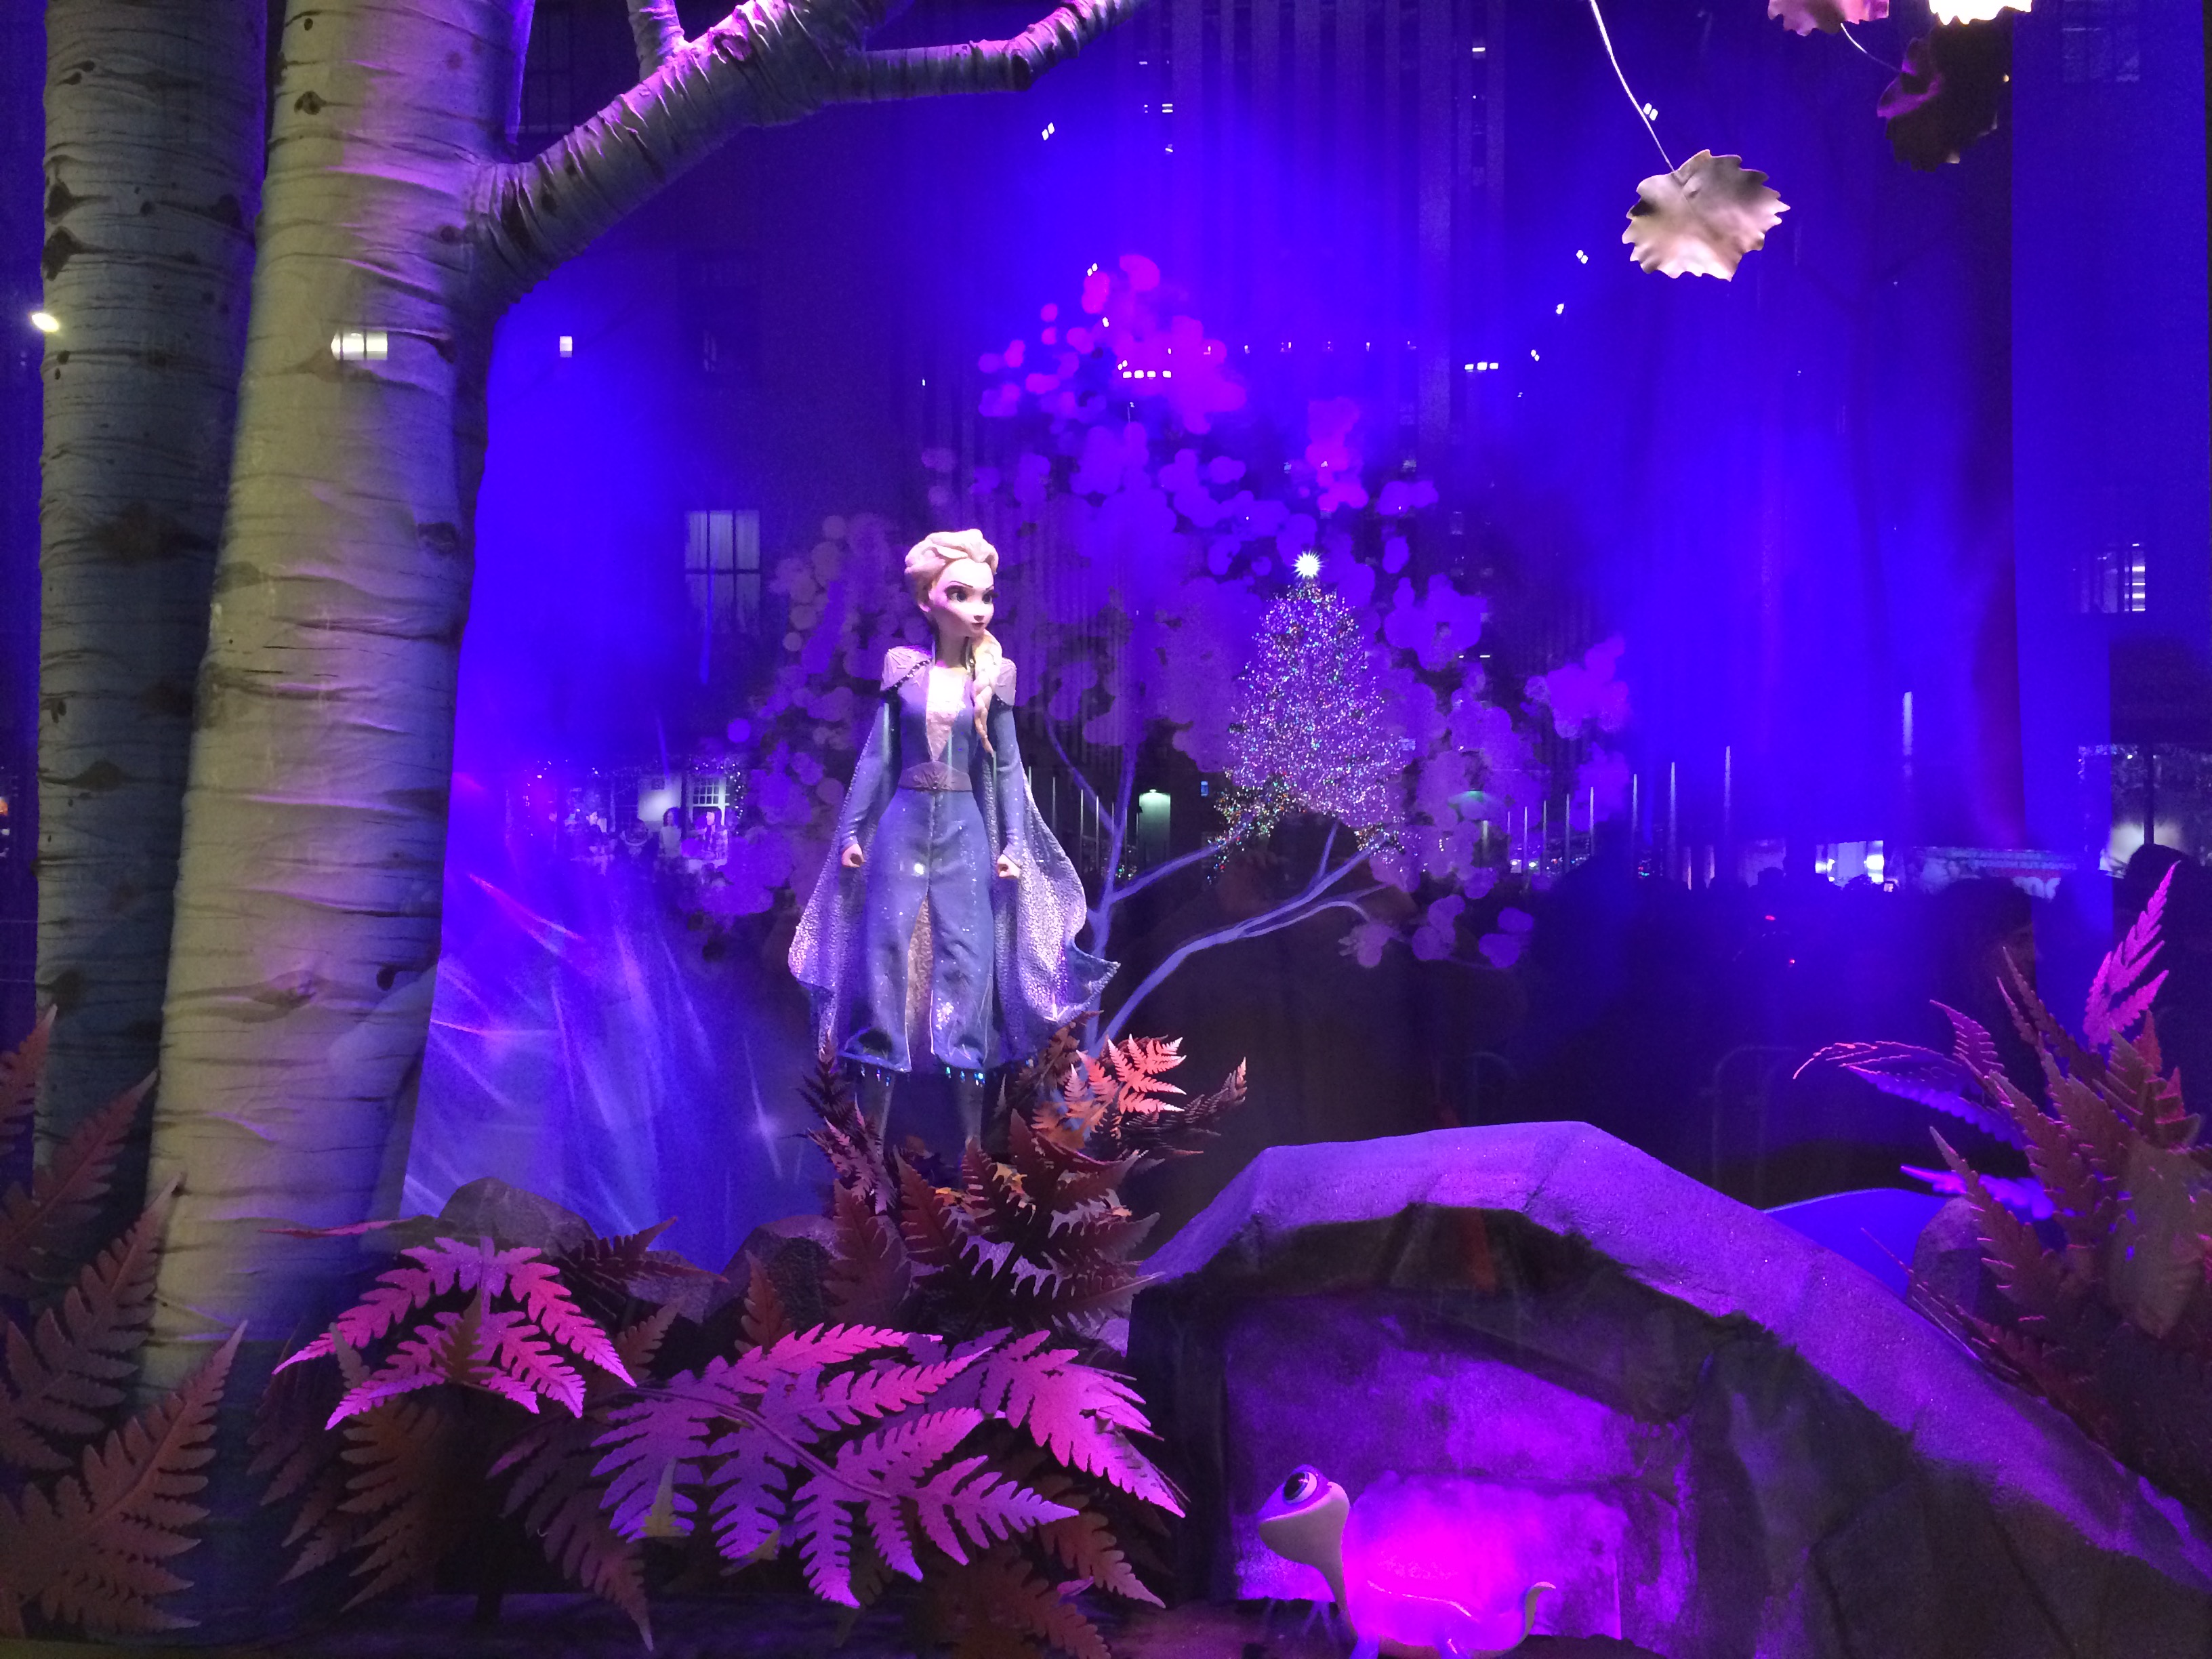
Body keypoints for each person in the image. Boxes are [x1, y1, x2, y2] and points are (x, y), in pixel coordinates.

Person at [788, 529, 1113, 1149]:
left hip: (965, 834)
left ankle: (972, 1153)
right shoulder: (903, 670)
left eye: (986, 596)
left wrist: (1014, 843)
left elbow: (1008, 767)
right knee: (884, 964)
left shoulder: (995, 677)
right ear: (927, 601)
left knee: (968, 966)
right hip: (900, 829)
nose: (978, 609)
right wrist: (852, 831)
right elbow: (879, 757)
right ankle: (868, 1151)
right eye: (961, 595)